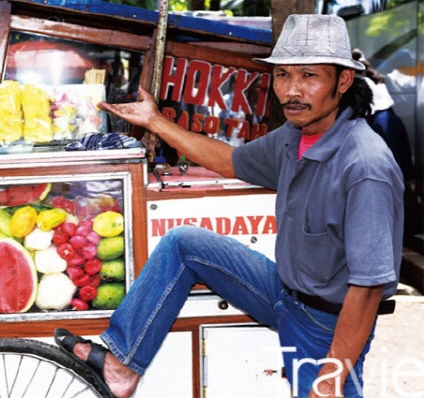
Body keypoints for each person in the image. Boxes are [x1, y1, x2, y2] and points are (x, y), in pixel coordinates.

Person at [54, 14, 404, 398]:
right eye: (282, 75)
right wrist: (156, 122)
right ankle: (121, 366)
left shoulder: (365, 165)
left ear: (343, 80)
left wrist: (331, 378)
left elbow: (368, 288)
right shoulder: (294, 136)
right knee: (184, 244)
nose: (291, 90)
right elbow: (229, 160)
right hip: (283, 292)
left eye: (309, 76)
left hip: (326, 322)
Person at [352, 49, 416, 184]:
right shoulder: (374, 77)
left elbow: (365, 112)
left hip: (382, 121)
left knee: (391, 163)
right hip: (392, 118)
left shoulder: (361, 82)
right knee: (402, 161)